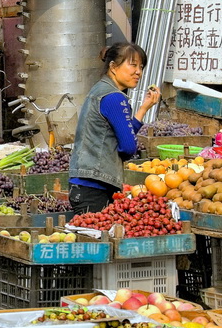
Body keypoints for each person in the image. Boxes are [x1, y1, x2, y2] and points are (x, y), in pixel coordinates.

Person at [68, 42, 161, 214]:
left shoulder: (99, 90)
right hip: (96, 187)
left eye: (141, 67)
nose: (138, 72)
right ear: (113, 66)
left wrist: (143, 108)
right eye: (132, 65)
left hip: (84, 184)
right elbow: (128, 147)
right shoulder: (115, 98)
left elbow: (119, 133)